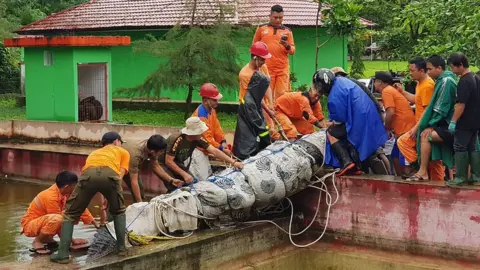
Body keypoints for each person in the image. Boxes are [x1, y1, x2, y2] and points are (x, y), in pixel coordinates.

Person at [50, 131, 130, 263]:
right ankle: (121, 249)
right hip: (110, 175)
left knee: (70, 214)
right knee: (119, 211)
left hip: (88, 175)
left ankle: (63, 254)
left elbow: (91, 175)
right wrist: (111, 197)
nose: (121, 144)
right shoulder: (123, 152)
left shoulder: (94, 153)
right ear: (116, 141)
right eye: (121, 142)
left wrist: (105, 196)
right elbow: (119, 176)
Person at [314, 69, 388, 176]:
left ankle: (346, 162)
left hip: (358, 121)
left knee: (331, 133)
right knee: (374, 152)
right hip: (369, 116)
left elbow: (339, 119)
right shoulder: (346, 82)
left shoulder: (334, 95)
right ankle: (385, 176)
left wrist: (331, 124)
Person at [403, 55, 457, 181]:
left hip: (448, 124)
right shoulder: (440, 81)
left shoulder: (445, 82)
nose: (428, 72)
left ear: (439, 68)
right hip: (442, 123)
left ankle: (422, 171)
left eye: (430, 69)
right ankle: (422, 170)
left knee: (425, 136)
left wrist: (430, 125)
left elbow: (439, 109)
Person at [21, 171, 98, 255]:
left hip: (43, 223)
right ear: (67, 187)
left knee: (69, 214)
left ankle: (47, 238)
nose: (76, 188)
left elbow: (78, 207)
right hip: (30, 226)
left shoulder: (64, 192)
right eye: (75, 186)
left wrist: (95, 223)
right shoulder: (51, 197)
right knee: (59, 219)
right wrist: (72, 241)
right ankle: (38, 241)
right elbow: (59, 222)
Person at [160, 117, 243, 188]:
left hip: (178, 162)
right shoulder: (177, 139)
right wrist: (184, 175)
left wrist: (234, 162)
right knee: (174, 185)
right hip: (164, 163)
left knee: (191, 183)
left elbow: (214, 151)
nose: (202, 133)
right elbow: (169, 161)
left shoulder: (198, 139)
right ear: (193, 133)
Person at [395, 57, 436, 177]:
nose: (410, 73)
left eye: (412, 70)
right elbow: (416, 100)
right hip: (420, 124)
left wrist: (416, 128)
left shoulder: (428, 85)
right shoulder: (420, 83)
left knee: (403, 142)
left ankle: (421, 168)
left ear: (422, 71)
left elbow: (427, 110)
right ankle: (423, 169)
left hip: (424, 125)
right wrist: (402, 92)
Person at [446, 53, 480, 186]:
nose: (451, 70)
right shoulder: (475, 78)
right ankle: (476, 176)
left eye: (452, 67)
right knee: (472, 147)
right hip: (475, 120)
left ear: (460, 65)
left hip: (465, 121)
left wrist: (453, 121)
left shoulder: (464, 81)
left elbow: (461, 105)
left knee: (460, 147)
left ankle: (460, 177)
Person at [374, 71, 416, 176]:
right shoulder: (391, 90)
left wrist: (386, 128)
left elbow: (391, 112)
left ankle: (408, 180)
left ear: (379, 82)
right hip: (403, 129)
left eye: (375, 81)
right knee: (395, 156)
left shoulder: (386, 91)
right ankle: (399, 179)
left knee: (405, 162)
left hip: (405, 130)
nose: (374, 84)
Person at [122, 134, 183, 202]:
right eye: (161, 151)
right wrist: (140, 204)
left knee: (140, 188)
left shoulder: (151, 147)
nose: (162, 153)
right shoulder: (135, 155)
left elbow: (155, 166)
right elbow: (134, 182)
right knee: (117, 190)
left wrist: (171, 180)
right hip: (115, 161)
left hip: (127, 158)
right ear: (153, 152)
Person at [253, 4, 295, 100]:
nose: (278, 20)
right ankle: (266, 115)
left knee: (283, 96)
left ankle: (280, 115)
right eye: (275, 17)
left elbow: (292, 50)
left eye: (281, 18)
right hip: (266, 68)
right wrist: (255, 65)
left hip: (282, 69)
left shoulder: (287, 31)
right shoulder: (261, 28)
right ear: (270, 16)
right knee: (266, 95)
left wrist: (287, 45)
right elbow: (254, 47)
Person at [239, 41, 279, 141]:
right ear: (255, 58)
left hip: (261, 103)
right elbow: (255, 98)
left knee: (270, 128)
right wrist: (268, 111)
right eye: (262, 60)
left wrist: (270, 103)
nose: (264, 62)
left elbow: (267, 86)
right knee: (256, 132)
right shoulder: (245, 75)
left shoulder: (262, 67)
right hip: (249, 106)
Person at [233, 71, 272, 160]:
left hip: (249, 145)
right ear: (258, 87)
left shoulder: (254, 99)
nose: (264, 92)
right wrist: (269, 144)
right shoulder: (249, 103)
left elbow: (261, 121)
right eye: (263, 88)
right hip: (246, 150)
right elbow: (259, 126)